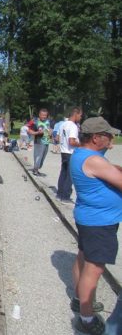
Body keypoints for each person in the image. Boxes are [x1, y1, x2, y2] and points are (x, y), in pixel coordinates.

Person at [70, 117, 122, 335]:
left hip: (88, 218)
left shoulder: (82, 154)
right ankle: (87, 317)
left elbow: (108, 170)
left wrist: (113, 168)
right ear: (95, 138)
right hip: (99, 223)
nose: (111, 138)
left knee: (83, 257)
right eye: (107, 135)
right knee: (94, 268)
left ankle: (78, 298)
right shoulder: (94, 160)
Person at [56, 108, 82, 203]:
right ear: (76, 114)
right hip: (71, 152)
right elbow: (71, 141)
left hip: (63, 151)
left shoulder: (63, 124)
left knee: (63, 173)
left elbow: (57, 137)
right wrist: (81, 144)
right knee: (70, 175)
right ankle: (65, 196)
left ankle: (59, 194)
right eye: (80, 115)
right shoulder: (73, 126)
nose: (80, 117)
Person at [27, 109, 51, 176]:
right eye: (43, 115)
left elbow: (49, 129)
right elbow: (28, 130)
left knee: (43, 157)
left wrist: (50, 133)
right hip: (39, 141)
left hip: (47, 141)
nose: (44, 116)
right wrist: (37, 132)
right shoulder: (35, 121)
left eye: (45, 115)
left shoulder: (48, 121)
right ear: (39, 115)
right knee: (38, 156)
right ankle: (35, 170)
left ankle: (37, 168)